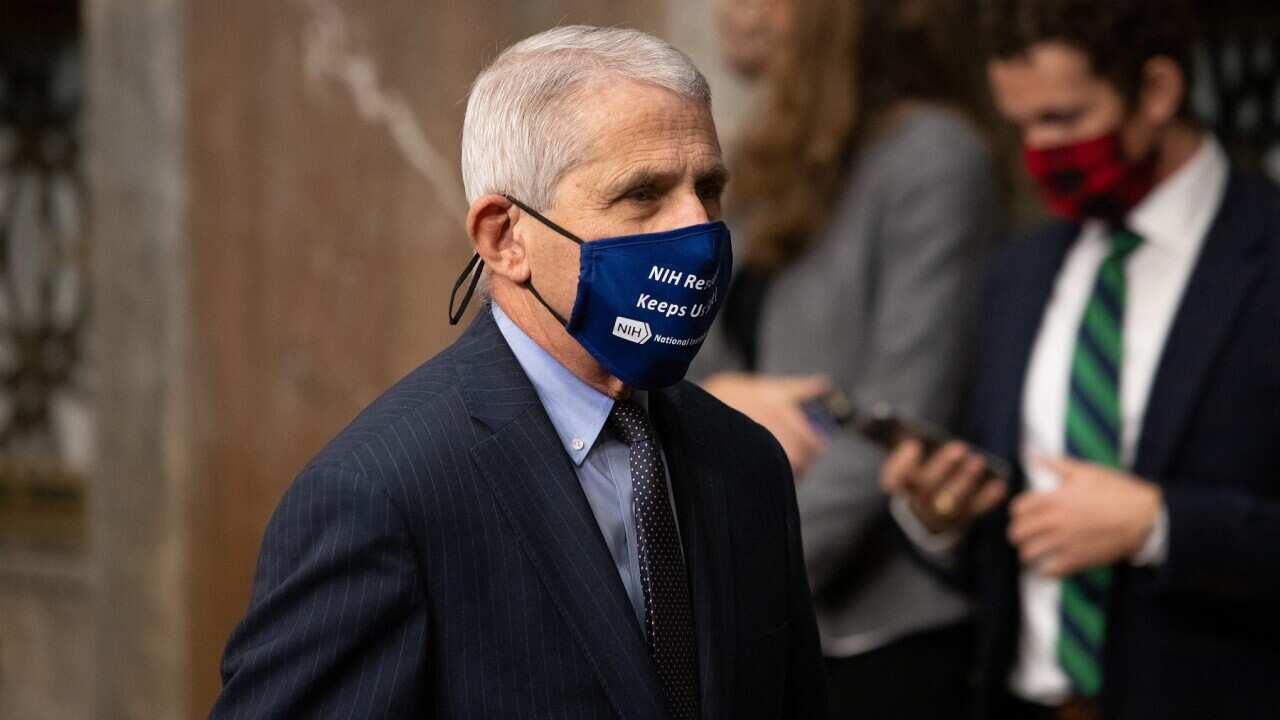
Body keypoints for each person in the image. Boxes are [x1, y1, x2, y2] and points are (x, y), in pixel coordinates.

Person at [211, 26, 826, 719]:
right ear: (505, 238)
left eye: (708, 188)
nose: (698, 228)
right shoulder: (383, 495)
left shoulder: (745, 465)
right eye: (643, 194)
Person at [881, 2, 1280, 718]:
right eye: (1021, 124)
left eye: (1062, 119)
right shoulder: (1022, 272)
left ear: (1157, 92)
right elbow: (1002, 544)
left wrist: (1161, 524)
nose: (1037, 150)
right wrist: (942, 516)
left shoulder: (1264, 253)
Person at [695, 1, 1004, 717]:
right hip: (765, 622)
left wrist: (739, 581)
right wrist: (723, 399)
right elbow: (689, 358)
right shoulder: (764, 155)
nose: (731, 11)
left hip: (878, 637)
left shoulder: (935, 156)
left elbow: (900, 416)